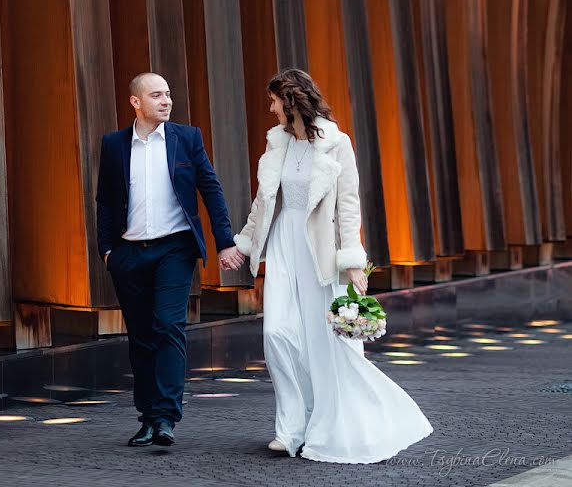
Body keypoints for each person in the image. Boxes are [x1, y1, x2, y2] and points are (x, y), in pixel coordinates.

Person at [231, 68, 433, 463]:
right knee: (277, 334)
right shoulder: (276, 143)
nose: (270, 109)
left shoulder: (336, 144)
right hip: (283, 244)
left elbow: (347, 205)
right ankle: (289, 429)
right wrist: (244, 242)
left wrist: (352, 261)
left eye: (274, 101)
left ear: (290, 102)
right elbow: (264, 202)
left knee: (326, 343)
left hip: (319, 250)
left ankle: (325, 425)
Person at [96, 72, 245, 447]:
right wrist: (107, 251)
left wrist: (225, 241)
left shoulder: (186, 138)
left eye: (168, 94)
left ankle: (165, 417)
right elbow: (106, 202)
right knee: (142, 337)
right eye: (157, 95)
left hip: (174, 249)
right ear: (136, 102)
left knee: (167, 326)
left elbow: (211, 189)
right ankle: (147, 418)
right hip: (129, 254)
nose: (166, 101)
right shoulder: (113, 144)